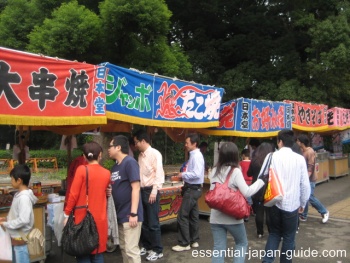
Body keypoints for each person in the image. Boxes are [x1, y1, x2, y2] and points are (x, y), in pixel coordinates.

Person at [209, 142, 265, 263]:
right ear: (235, 155)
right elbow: (247, 192)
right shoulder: (235, 171)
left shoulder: (213, 171)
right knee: (241, 243)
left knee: (218, 248)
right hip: (232, 217)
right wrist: (261, 181)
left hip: (215, 217)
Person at [261, 129, 311, 263]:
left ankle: (267, 261)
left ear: (280, 141)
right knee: (289, 237)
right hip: (292, 205)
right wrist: (303, 203)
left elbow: (262, 176)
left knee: (274, 233)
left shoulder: (271, 156)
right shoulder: (300, 159)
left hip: (274, 202)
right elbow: (305, 185)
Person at [64, 142, 110, 263]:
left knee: (83, 251)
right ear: (100, 155)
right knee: (97, 252)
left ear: (84, 157)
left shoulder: (81, 170)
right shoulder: (106, 173)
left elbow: (73, 194)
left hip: (82, 217)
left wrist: (66, 214)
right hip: (100, 218)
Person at [108, 135, 143, 263]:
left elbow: (136, 188)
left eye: (110, 146)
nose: (108, 149)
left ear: (118, 147)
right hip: (120, 214)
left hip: (130, 214)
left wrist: (133, 213)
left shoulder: (130, 162)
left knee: (131, 250)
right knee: (123, 248)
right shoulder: (115, 166)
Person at [133, 130, 164, 261]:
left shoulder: (155, 153)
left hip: (151, 190)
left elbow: (159, 173)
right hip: (142, 190)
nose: (135, 145)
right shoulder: (140, 155)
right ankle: (147, 246)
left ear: (143, 141)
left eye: (136, 142)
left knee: (153, 223)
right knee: (144, 222)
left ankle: (157, 250)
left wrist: (154, 191)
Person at [172, 133, 204, 252]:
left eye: (187, 143)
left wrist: (182, 174)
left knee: (182, 216)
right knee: (194, 215)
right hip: (194, 188)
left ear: (194, 143)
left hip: (192, 188)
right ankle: (194, 240)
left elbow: (196, 173)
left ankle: (184, 243)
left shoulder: (196, 156)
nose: (185, 145)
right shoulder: (194, 155)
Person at [0, 164, 38, 263]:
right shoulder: (19, 195)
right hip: (17, 237)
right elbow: (17, 215)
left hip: (21, 238)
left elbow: (24, 219)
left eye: (12, 179)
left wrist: (6, 224)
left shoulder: (24, 198)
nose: (11, 181)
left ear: (19, 180)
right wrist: (7, 219)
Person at [297, 134, 329, 223]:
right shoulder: (302, 151)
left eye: (298, 141)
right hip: (305, 179)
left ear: (301, 142)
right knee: (305, 197)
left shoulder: (309, 151)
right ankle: (303, 215)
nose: (297, 142)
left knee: (309, 196)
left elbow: (310, 167)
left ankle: (324, 211)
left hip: (310, 179)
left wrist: (305, 179)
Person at [247, 142, 274, 238]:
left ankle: (260, 232)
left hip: (257, 188)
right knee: (269, 211)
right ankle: (271, 232)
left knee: (259, 211)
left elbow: (249, 173)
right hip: (269, 188)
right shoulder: (273, 161)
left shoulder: (254, 160)